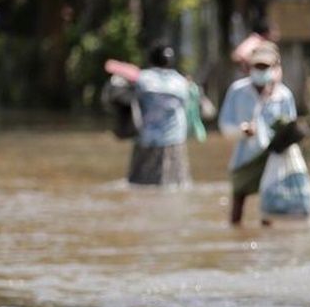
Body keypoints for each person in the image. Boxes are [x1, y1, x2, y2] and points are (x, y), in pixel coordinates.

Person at [219, 42, 298, 225]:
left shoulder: (283, 95)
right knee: (238, 200)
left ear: (274, 68)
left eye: (265, 67)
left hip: (271, 157)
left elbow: (291, 127)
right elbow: (225, 125)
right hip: (244, 157)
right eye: (257, 66)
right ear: (250, 67)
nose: (261, 70)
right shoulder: (237, 91)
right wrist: (243, 131)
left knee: (268, 205)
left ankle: (266, 244)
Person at [127, 44, 205, 187]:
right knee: (177, 184)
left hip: (147, 138)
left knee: (140, 185)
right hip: (174, 139)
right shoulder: (180, 82)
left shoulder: (142, 79)